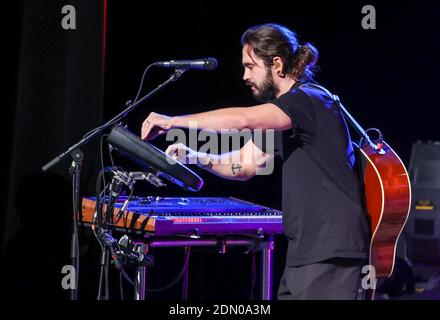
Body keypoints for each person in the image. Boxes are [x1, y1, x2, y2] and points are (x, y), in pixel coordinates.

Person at [140, 23, 370, 300]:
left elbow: (242, 120)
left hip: (333, 252)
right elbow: (245, 164)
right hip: (306, 254)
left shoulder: (308, 99)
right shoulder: (285, 116)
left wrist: (173, 122)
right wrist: (194, 156)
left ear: (277, 63)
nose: (244, 75)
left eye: (250, 66)